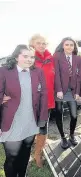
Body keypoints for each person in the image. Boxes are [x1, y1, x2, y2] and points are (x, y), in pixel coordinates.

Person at [0, 45, 48, 177]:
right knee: (12, 157)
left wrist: (42, 118)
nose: (29, 59)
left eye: (32, 57)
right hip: (11, 121)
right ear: (16, 57)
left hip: (30, 120)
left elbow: (44, 94)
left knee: (25, 153)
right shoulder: (4, 71)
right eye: (25, 56)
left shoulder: (38, 72)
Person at [29, 34, 55, 167]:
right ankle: (36, 154)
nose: (42, 45)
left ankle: (39, 147)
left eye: (44, 43)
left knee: (44, 125)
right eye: (38, 43)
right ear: (32, 44)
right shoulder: (30, 59)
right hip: (34, 100)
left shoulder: (51, 58)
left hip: (49, 98)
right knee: (36, 126)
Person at [54, 37, 81, 149]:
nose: (69, 47)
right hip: (59, 89)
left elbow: (79, 77)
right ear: (63, 45)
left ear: (74, 47)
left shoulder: (77, 58)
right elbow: (56, 74)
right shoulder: (57, 57)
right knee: (59, 113)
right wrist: (59, 89)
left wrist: (78, 92)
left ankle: (71, 135)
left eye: (71, 45)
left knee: (74, 115)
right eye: (67, 44)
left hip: (72, 90)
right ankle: (62, 137)